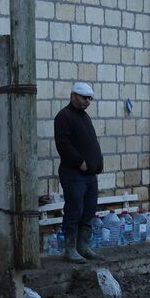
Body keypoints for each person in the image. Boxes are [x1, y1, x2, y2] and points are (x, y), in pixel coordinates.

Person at [54, 81, 103, 263]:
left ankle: (83, 247)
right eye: (84, 98)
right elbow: (63, 145)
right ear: (74, 96)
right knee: (74, 209)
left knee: (89, 210)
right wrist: (80, 162)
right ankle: (70, 249)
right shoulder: (64, 116)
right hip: (73, 173)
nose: (87, 101)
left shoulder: (84, 117)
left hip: (89, 174)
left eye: (90, 99)